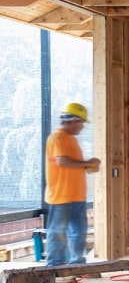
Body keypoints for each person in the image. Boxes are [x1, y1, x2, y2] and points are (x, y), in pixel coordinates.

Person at [45, 102, 100, 266]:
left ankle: (77, 263)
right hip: (61, 195)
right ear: (73, 120)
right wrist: (86, 163)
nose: (82, 127)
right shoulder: (57, 138)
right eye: (81, 122)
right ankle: (55, 265)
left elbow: (75, 165)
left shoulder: (72, 140)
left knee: (78, 231)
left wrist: (90, 165)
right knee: (58, 232)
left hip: (76, 195)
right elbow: (62, 162)